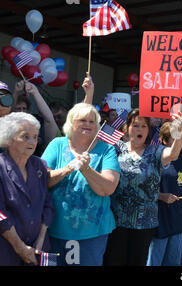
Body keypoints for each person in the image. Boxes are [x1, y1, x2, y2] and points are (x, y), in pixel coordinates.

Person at [41, 103, 121, 266]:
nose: (88, 124)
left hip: (91, 234)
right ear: (71, 122)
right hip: (52, 230)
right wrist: (68, 168)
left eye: (92, 121)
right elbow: (42, 181)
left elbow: (107, 189)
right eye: (83, 120)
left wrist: (86, 170)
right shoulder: (57, 144)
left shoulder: (106, 149)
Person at [103, 110, 182, 266]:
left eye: (143, 126)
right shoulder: (116, 149)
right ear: (127, 127)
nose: (139, 129)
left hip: (144, 223)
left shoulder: (155, 151)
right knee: (114, 261)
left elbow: (173, 154)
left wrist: (180, 130)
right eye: (135, 125)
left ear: (149, 130)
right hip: (116, 221)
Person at [0, 112, 54, 266]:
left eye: (35, 137)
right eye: (25, 136)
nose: (32, 142)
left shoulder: (40, 166)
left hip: (40, 248)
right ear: (9, 138)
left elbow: (48, 205)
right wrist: (20, 247)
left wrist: (40, 240)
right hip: (7, 250)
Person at [146, 122, 182, 266]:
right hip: (156, 222)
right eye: (175, 138)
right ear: (164, 140)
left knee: (172, 262)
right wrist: (162, 196)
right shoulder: (153, 159)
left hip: (177, 222)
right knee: (154, 262)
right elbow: (143, 190)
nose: (179, 142)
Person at [12, 81, 59, 155]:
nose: (22, 111)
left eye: (24, 108)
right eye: (18, 108)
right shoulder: (8, 122)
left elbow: (49, 120)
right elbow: (9, 110)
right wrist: (16, 92)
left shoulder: (33, 122)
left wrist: (35, 92)